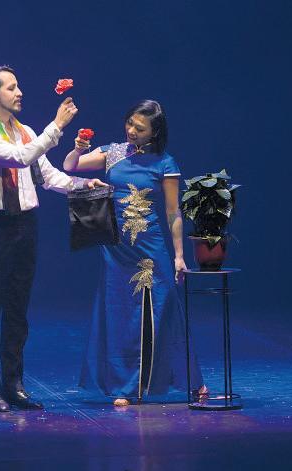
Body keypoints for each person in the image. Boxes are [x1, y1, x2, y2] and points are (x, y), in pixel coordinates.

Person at [0, 65, 106, 412]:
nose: (20, 92)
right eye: (12, 87)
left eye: (18, 86)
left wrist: (81, 184)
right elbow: (18, 158)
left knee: (18, 308)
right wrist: (57, 126)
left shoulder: (26, 131)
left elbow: (47, 175)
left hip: (25, 226)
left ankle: (14, 384)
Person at [63, 100, 206, 406]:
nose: (131, 131)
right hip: (117, 249)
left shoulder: (165, 163)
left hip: (150, 249)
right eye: (129, 123)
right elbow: (70, 167)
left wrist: (179, 255)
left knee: (163, 310)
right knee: (120, 313)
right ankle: (125, 388)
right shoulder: (113, 153)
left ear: (155, 132)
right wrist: (77, 148)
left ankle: (188, 380)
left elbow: (173, 213)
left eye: (139, 128)